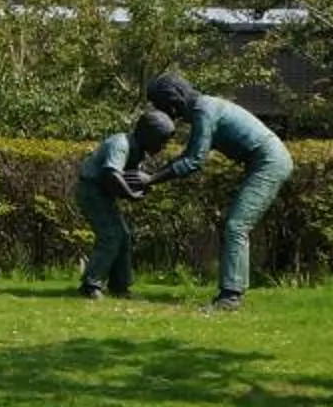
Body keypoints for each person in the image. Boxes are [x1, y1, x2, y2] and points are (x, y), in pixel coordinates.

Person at [140, 70, 293, 312]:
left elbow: (194, 160)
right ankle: (233, 291)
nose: (165, 113)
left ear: (174, 99)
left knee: (237, 225)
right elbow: (191, 156)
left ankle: (230, 297)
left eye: (163, 106)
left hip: (270, 162)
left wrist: (151, 179)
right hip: (262, 162)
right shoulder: (205, 108)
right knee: (235, 224)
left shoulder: (204, 111)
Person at [73, 107, 174, 299]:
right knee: (111, 235)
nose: (163, 146)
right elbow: (110, 174)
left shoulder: (138, 151)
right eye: (162, 140)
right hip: (91, 191)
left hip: (103, 194)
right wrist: (131, 195)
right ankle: (90, 285)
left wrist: (145, 184)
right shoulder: (121, 144)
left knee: (123, 235)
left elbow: (128, 177)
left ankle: (120, 286)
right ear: (148, 135)